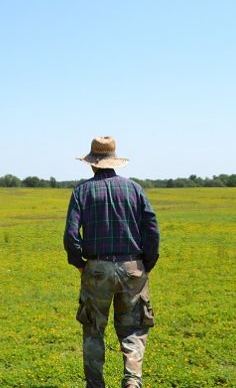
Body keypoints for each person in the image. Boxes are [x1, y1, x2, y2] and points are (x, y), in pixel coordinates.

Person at [63, 136, 160, 388]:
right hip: (133, 268)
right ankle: (132, 382)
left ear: (93, 163)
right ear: (114, 161)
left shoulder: (81, 191)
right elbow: (152, 230)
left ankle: (95, 385)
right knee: (133, 330)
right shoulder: (135, 190)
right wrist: (146, 264)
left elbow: (71, 236)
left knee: (93, 330)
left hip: (96, 268)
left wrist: (81, 264)